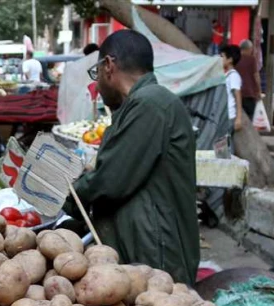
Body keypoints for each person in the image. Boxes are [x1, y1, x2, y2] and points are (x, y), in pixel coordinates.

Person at [64, 30, 199, 285]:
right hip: (146, 247)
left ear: (108, 66)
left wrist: (64, 194)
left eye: (96, 75)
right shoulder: (143, 104)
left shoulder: (151, 104)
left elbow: (110, 180)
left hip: (156, 255)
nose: (97, 84)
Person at [221, 45, 244, 134]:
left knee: (226, 144)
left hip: (229, 116)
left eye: (222, 56)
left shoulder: (233, 76)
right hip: (224, 116)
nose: (220, 59)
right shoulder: (227, 75)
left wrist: (238, 118)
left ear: (230, 60)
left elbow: (237, 96)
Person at [236, 40, 261, 120]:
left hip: (237, 93)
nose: (252, 51)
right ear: (247, 49)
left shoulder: (235, 59)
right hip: (249, 93)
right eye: (251, 49)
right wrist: (259, 90)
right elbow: (256, 76)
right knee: (250, 117)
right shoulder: (251, 59)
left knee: (238, 116)